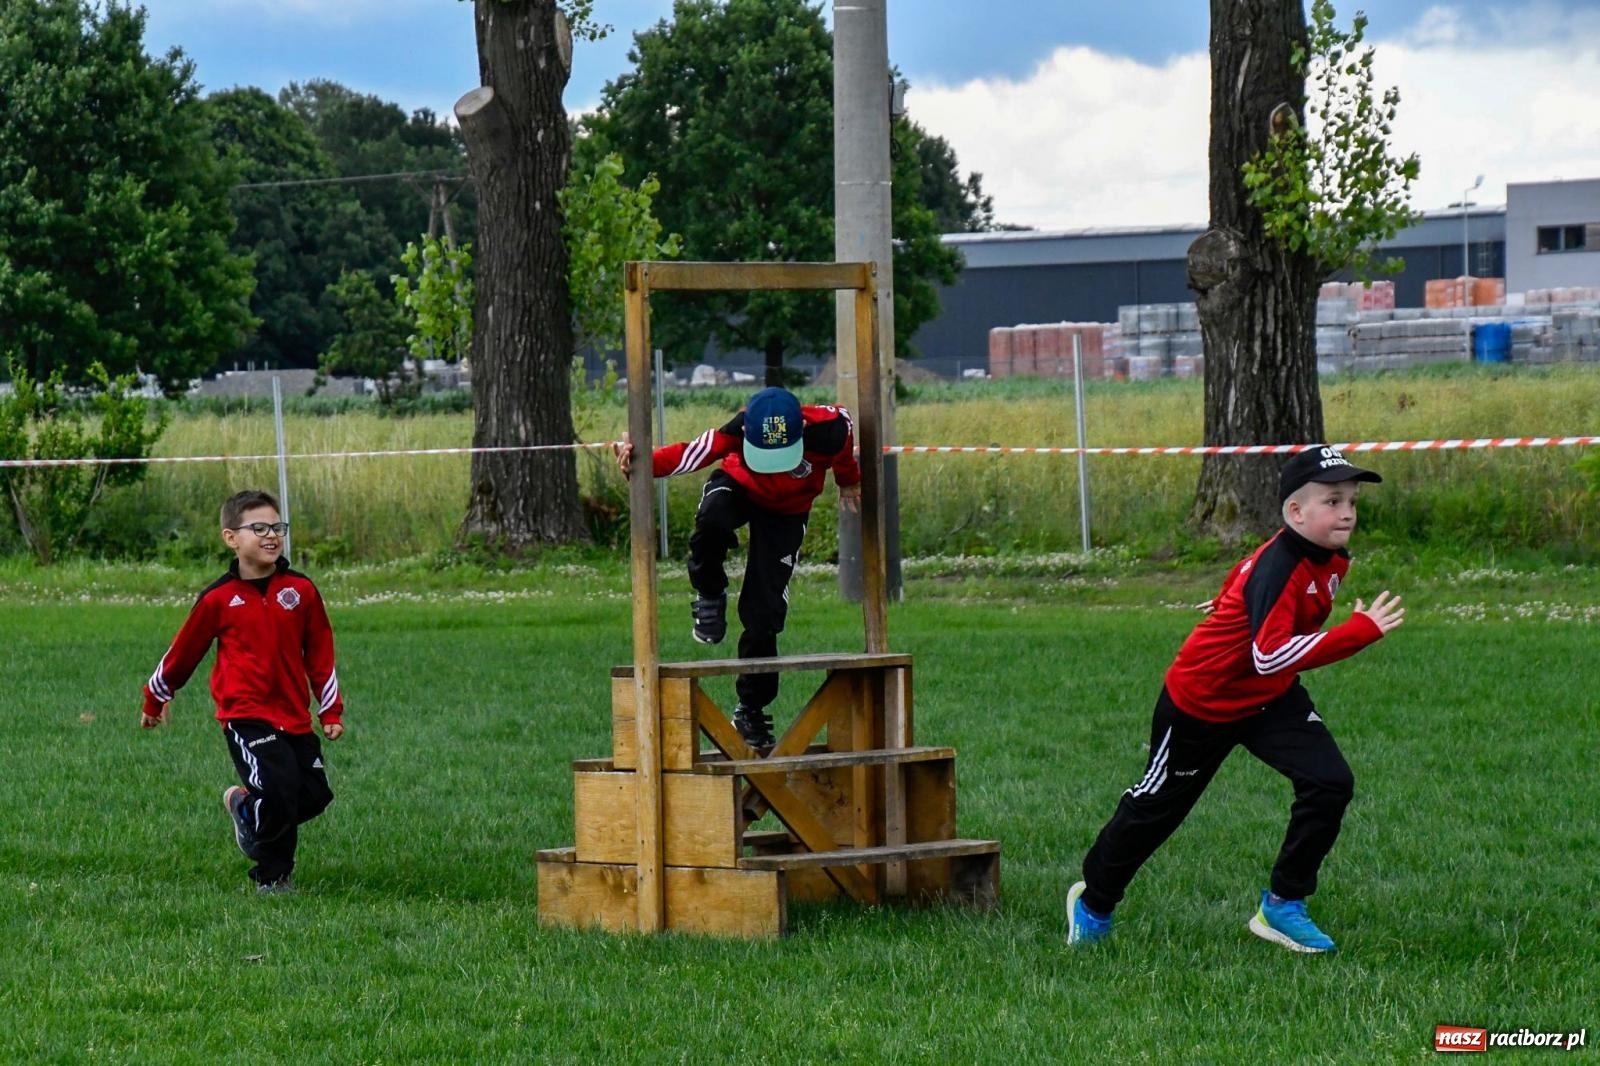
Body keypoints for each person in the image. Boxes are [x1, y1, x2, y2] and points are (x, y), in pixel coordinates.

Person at [1066, 446, 1405, 953]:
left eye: (1352, 500)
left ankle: (1283, 906)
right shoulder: (1282, 565)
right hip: (1203, 703)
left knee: (1329, 782)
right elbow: (1269, 654)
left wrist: (1231, 596)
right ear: (1296, 513)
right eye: (1333, 501)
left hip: (1269, 699)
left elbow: (1252, 579)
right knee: (1156, 810)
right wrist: (1358, 632)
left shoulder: (1328, 554)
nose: (1348, 512)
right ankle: (1093, 902)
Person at [616, 387, 861, 750]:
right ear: (747, 435)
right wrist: (640, 463)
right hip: (739, 488)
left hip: (788, 512)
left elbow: (844, 451)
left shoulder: (830, 428)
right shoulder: (738, 428)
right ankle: (710, 595)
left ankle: (750, 711)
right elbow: (691, 453)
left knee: (763, 613)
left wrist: (848, 481)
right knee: (712, 520)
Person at [140, 489, 345, 894]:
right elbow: (183, 653)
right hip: (245, 715)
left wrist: (330, 711)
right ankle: (272, 878)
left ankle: (245, 809)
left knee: (314, 794)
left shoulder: (300, 591)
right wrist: (156, 697)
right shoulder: (218, 599)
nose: (271, 535)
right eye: (259, 528)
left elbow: (321, 652)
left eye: (277, 527)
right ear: (231, 538)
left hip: (294, 715)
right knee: (279, 789)